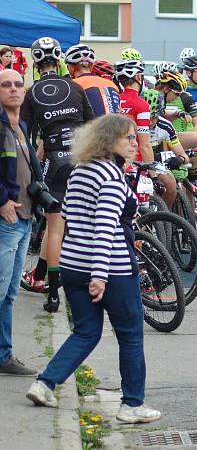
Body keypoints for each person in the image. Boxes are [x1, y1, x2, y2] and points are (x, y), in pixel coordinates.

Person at [26, 114, 162, 422]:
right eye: (127, 138)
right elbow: (105, 229)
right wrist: (100, 274)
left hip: (73, 263)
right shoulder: (111, 178)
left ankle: (45, 383)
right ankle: (132, 404)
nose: (133, 143)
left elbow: (70, 218)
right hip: (111, 266)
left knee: (86, 331)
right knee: (130, 334)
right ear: (108, 141)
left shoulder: (80, 172)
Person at [21, 37, 94, 313]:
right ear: (59, 60)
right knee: (88, 221)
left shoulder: (32, 93)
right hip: (83, 158)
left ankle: (52, 295)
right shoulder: (75, 87)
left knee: (55, 229)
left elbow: (25, 136)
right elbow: (92, 126)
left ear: (36, 63)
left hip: (54, 160)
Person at [0, 69, 41, 376]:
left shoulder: (21, 126)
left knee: (10, 293)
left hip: (25, 218)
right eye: (5, 85)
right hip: (7, 219)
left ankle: (4, 355)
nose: (13, 89)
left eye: (18, 85)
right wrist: (2, 200)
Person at [65, 44, 120, 116]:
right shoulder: (111, 84)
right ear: (91, 66)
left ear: (71, 67)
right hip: (116, 125)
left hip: (92, 126)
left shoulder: (72, 85)